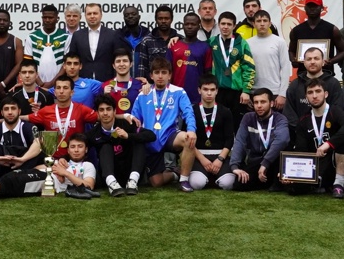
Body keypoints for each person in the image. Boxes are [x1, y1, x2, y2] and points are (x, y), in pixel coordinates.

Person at [131, 58, 197, 189]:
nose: (160, 76)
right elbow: (135, 120)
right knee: (156, 182)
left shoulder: (178, 92)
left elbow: (188, 112)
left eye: (164, 72)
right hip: (150, 139)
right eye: (157, 72)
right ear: (151, 76)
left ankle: (184, 180)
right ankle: (174, 174)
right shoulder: (143, 95)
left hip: (170, 135)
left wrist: (191, 130)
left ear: (170, 75)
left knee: (188, 138)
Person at [288, 82, 344, 198]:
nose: (314, 96)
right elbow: (301, 150)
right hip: (317, 165)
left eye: (318, 91)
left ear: (326, 94)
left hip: (338, 164)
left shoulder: (335, 111)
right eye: (310, 92)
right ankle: (321, 183)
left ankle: (338, 185)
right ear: (306, 97)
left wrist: (329, 143)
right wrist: (290, 172)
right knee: (294, 188)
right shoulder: (303, 120)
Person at [86, 95, 156, 196]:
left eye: (108, 109)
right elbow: (80, 146)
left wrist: (128, 136)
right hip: (110, 173)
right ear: (97, 113)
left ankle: (133, 181)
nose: (105, 113)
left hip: (130, 170)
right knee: (105, 147)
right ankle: (112, 183)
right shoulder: (93, 133)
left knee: (138, 140)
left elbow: (151, 135)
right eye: (101, 110)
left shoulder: (126, 124)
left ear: (114, 111)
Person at [227, 88, 289, 191]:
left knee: (280, 151)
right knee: (239, 185)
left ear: (271, 103)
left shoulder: (280, 119)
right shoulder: (248, 118)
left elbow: (283, 140)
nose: (259, 106)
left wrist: (265, 163)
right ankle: (268, 183)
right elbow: (239, 142)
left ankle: (273, 182)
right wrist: (235, 167)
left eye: (263, 102)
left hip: (273, 161)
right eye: (256, 102)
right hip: (255, 162)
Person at [184, 76, 236, 192]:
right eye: (205, 89)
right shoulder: (191, 112)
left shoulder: (225, 112)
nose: (209, 93)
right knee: (197, 183)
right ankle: (207, 177)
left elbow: (229, 139)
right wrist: (202, 159)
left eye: (212, 90)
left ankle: (212, 177)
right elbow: (186, 139)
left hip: (220, 155)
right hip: (198, 156)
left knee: (228, 184)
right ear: (199, 90)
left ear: (217, 91)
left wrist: (220, 159)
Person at [0, 95, 43, 180]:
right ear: (2, 113)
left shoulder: (29, 127)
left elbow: (38, 143)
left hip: (23, 166)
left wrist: (23, 159)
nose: (10, 112)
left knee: (37, 150)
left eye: (13, 108)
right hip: (2, 165)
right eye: (6, 109)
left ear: (19, 111)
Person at [210, 11, 255, 117]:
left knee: (236, 122)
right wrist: (178, 38)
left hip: (236, 92)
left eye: (229, 24)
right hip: (217, 91)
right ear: (218, 25)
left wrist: (246, 91)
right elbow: (195, 46)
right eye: (223, 24)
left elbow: (249, 68)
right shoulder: (211, 42)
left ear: (234, 26)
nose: (225, 27)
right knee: (218, 122)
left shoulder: (242, 43)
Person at [283, 46, 343, 124]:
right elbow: (289, 112)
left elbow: (338, 109)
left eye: (316, 58)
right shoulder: (295, 85)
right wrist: (300, 128)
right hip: (300, 130)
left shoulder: (333, 83)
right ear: (304, 62)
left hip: (328, 128)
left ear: (323, 62)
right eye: (309, 59)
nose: (312, 62)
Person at [286, 0, 344, 76]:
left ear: (322, 8)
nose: (312, 8)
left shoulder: (332, 29)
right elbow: (291, 51)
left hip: (326, 75)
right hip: (304, 76)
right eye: (309, 6)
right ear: (305, 8)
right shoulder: (296, 31)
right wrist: (293, 60)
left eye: (315, 6)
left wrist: (331, 61)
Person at [26, 76, 100, 138]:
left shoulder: (81, 109)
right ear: (54, 92)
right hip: (53, 151)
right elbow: (25, 118)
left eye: (65, 88)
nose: (61, 91)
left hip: (75, 150)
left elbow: (102, 118)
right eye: (58, 88)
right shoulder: (46, 111)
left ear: (72, 92)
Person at [68, 3, 124, 81]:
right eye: (89, 14)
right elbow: (72, 60)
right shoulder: (77, 35)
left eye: (95, 13)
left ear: (101, 15)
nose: (92, 16)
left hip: (107, 82)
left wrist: (113, 84)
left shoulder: (112, 35)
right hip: (83, 82)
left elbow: (118, 60)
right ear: (85, 16)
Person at [247, 10, 289, 112]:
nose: (262, 24)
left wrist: (282, 94)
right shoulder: (247, 43)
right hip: (253, 92)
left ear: (270, 23)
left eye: (265, 21)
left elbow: (286, 68)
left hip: (274, 92)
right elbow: (244, 69)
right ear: (254, 24)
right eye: (259, 21)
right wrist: (246, 92)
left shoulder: (279, 42)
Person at [169, 12, 212, 104]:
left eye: (193, 24)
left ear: (199, 26)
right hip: (175, 97)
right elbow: (167, 72)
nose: (189, 27)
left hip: (197, 98)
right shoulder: (173, 45)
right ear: (183, 26)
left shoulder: (205, 47)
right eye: (187, 24)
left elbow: (207, 74)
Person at [25, 4, 69, 85]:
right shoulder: (32, 37)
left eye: (50, 17)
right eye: (45, 17)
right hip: (36, 84)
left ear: (57, 19)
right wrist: (40, 83)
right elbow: (28, 63)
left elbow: (67, 63)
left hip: (59, 85)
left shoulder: (65, 37)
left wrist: (53, 83)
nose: (47, 20)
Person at [136, 6, 180, 82]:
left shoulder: (179, 40)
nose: (163, 21)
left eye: (166, 18)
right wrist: (143, 83)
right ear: (156, 20)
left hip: (175, 85)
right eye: (160, 18)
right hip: (152, 85)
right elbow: (142, 67)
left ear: (172, 19)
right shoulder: (147, 40)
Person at [0, 9, 25, 97]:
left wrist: (3, 84)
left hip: (11, 88)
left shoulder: (16, 41)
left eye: (5, 20)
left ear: (9, 23)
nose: (2, 22)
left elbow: (19, 64)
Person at [52, 135, 99, 199]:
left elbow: (89, 186)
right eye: (72, 147)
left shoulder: (87, 165)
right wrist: (56, 172)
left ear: (86, 149)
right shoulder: (60, 162)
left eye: (80, 146)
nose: (76, 150)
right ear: (68, 150)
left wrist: (65, 173)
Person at [102, 47, 145, 114]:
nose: (121, 64)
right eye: (118, 61)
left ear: (131, 64)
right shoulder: (106, 86)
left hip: (135, 121)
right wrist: (104, 96)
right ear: (113, 65)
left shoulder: (140, 85)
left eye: (125, 61)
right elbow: (99, 113)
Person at [119, 5, 152, 76]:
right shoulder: (118, 37)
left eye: (133, 14)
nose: (130, 16)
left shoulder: (148, 36)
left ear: (139, 17)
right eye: (127, 15)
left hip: (144, 80)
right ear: (124, 18)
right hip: (123, 80)